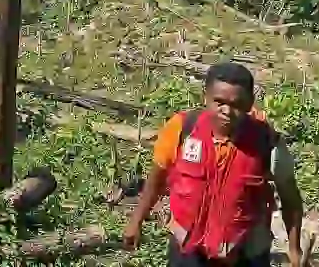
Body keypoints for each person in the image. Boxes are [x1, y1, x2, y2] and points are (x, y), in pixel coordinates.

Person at [123, 62, 305, 267]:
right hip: (188, 251)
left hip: (245, 254)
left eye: (236, 105)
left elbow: (290, 199)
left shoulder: (268, 142)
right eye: (219, 102)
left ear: (249, 104)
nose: (226, 111)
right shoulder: (182, 128)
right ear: (205, 97)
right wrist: (136, 221)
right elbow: (157, 177)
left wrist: (294, 248)